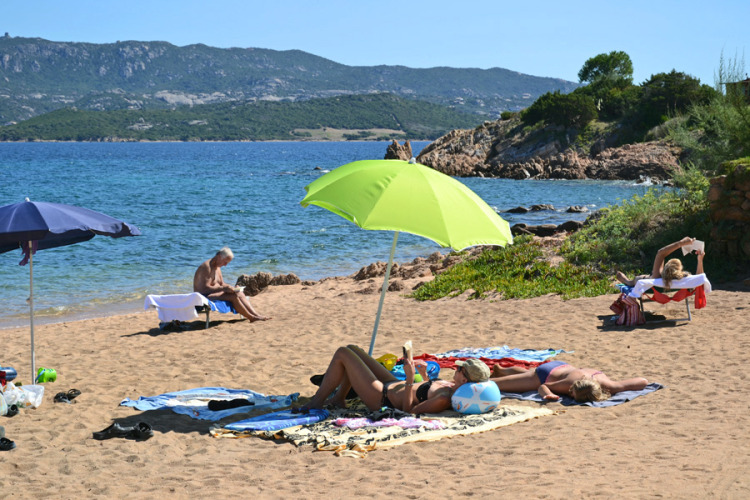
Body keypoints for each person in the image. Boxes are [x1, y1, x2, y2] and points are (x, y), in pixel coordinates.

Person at [301, 345, 490, 414]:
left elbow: (408, 410)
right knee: (353, 349)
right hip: (392, 383)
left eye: (459, 369)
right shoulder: (450, 385)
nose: (455, 369)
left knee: (343, 353)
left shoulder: (444, 399)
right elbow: (423, 390)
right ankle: (339, 398)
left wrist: (409, 379)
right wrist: (423, 375)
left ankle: (318, 401)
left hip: (382, 397)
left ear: (465, 380)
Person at [490, 362, 648, 403]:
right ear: (571, 389)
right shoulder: (567, 384)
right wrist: (549, 394)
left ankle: (504, 370)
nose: (570, 396)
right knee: (496, 384)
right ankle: (500, 374)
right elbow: (543, 386)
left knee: (527, 376)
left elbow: (643, 381)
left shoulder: (610, 386)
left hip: (561, 366)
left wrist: (619, 387)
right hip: (546, 373)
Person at [193, 247, 270, 322]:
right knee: (233, 296)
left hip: (213, 293)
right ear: (219, 257)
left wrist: (232, 287)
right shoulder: (207, 267)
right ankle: (251, 317)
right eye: (225, 262)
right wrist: (223, 288)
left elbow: (222, 284)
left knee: (239, 292)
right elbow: (204, 289)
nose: (225, 265)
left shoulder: (217, 267)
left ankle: (257, 315)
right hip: (204, 296)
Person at [616, 236, 705, 290]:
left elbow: (661, 253)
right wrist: (700, 260)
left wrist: (681, 243)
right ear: (679, 269)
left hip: (646, 282)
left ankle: (627, 281)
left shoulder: (657, 276)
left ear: (666, 267)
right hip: (670, 287)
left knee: (634, 281)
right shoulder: (685, 278)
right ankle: (628, 281)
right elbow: (699, 279)